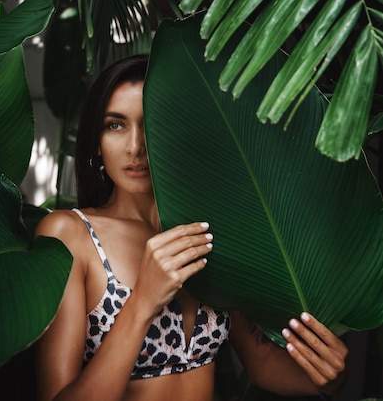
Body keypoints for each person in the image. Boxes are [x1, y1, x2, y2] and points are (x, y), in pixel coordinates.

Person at [34, 54, 348, 401]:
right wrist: (141, 304)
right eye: (116, 125)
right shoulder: (69, 234)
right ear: (96, 140)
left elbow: (260, 361)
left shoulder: (209, 231)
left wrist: (326, 378)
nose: (136, 146)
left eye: (151, 121)